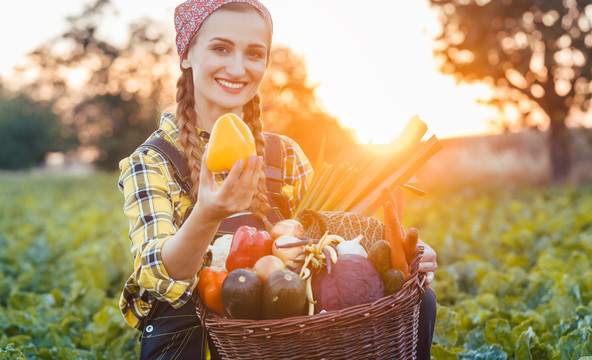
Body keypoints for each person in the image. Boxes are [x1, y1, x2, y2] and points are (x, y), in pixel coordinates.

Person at [117, 0, 438, 359]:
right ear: (187, 53)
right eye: (220, 48)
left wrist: (405, 258)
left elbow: (333, 249)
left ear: (266, 63)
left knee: (423, 299)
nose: (237, 68)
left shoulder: (283, 156)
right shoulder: (153, 162)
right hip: (194, 343)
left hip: (282, 344)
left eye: (254, 53)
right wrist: (207, 213)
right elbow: (159, 277)